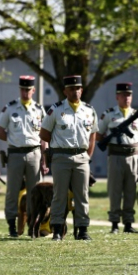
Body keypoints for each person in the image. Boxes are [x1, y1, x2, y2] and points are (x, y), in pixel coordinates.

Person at [39, 75, 97, 241]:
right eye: (71, 89)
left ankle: (82, 230)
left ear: (81, 90)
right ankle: (57, 229)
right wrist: (60, 145)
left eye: (77, 88)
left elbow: (92, 135)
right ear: (65, 91)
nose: (75, 91)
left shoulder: (89, 110)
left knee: (82, 194)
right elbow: (44, 133)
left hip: (81, 157)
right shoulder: (56, 109)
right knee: (59, 194)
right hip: (61, 157)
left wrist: (87, 156)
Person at [0, 75, 48, 237]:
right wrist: (13, 140)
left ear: (33, 90)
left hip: (34, 153)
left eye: (28, 90)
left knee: (35, 191)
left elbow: (44, 136)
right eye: (22, 90)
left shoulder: (39, 109)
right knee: (12, 190)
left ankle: (33, 226)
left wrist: (44, 160)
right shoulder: (10, 108)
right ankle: (12, 225)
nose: (25, 93)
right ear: (20, 90)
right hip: (16, 153)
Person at [96, 82, 138, 234]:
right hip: (115, 156)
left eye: (129, 95)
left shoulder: (137, 115)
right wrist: (109, 137)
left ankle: (128, 223)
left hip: (133, 156)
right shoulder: (109, 114)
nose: (127, 98)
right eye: (124, 95)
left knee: (131, 190)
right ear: (117, 96)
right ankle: (114, 224)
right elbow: (98, 134)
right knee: (115, 191)